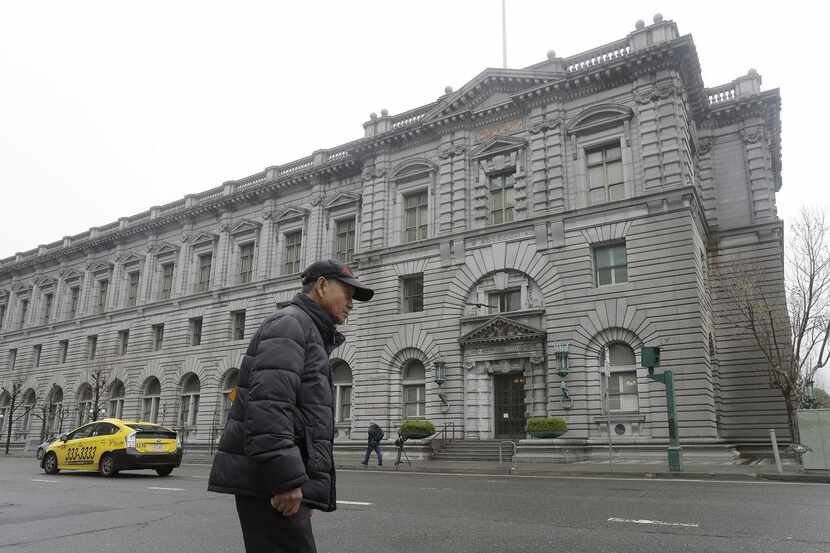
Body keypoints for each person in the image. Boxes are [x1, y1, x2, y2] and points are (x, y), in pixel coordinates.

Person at [208, 259, 373, 553]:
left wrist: (302, 487)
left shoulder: (307, 330)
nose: (351, 304)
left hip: (275, 481)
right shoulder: (290, 324)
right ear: (322, 286)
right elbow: (268, 409)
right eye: (347, 294)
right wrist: (286, 482)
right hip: (270, 484)